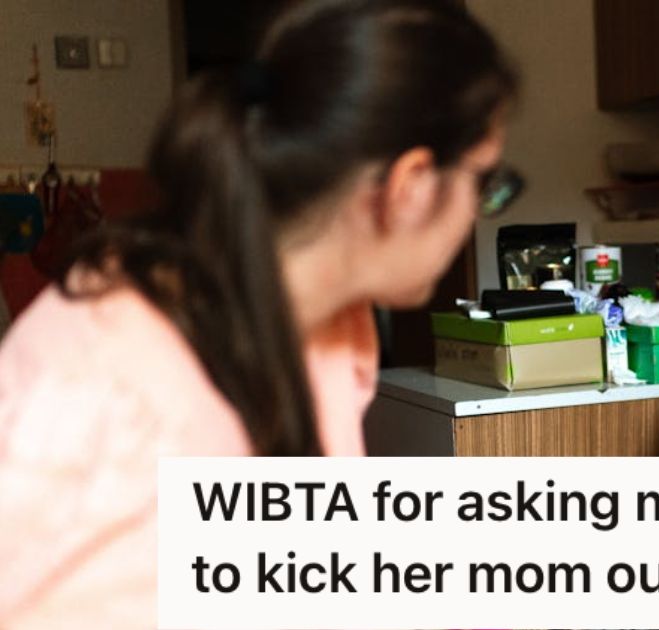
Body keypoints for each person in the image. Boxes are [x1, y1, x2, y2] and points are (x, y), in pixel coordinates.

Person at [0, 0, 518, 626]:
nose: (477, 212)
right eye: (484, 183)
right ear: (408, 186)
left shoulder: (338, 331)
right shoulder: (105, 389)